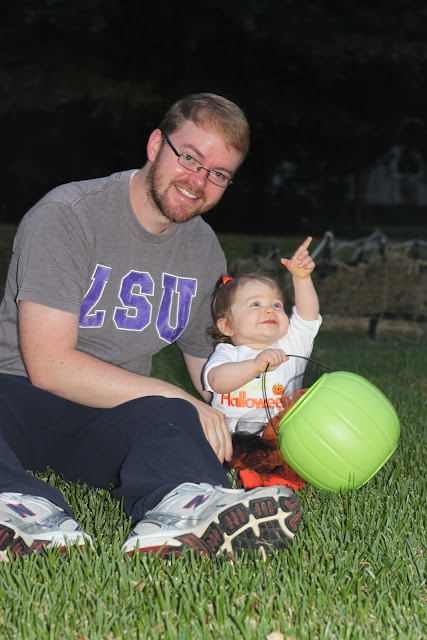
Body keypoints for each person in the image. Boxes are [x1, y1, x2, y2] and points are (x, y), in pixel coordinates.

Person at [0, 92, 301, 561]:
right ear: (156, 144)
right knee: (169, 402)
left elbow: (210, 376)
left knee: (169, 417)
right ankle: (21, 510)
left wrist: (273, 410)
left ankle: (185, 508)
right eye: (190, 158)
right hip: (17, 399)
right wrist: (174, 395)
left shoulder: (202, 250)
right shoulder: (69, 215)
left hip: (108, 416)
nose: (198, 180)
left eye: (218, 174)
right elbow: (50, 366)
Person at [203, 238, 322, 435]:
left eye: (276, 305)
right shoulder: (228, 353)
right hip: (229, 439)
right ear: (227, 326)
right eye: (255, 304)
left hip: (281, 439)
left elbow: (307, 317)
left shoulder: (291, 346)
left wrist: (301, 279)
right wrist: (255, 366)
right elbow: (216, 381)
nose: (270, 310)